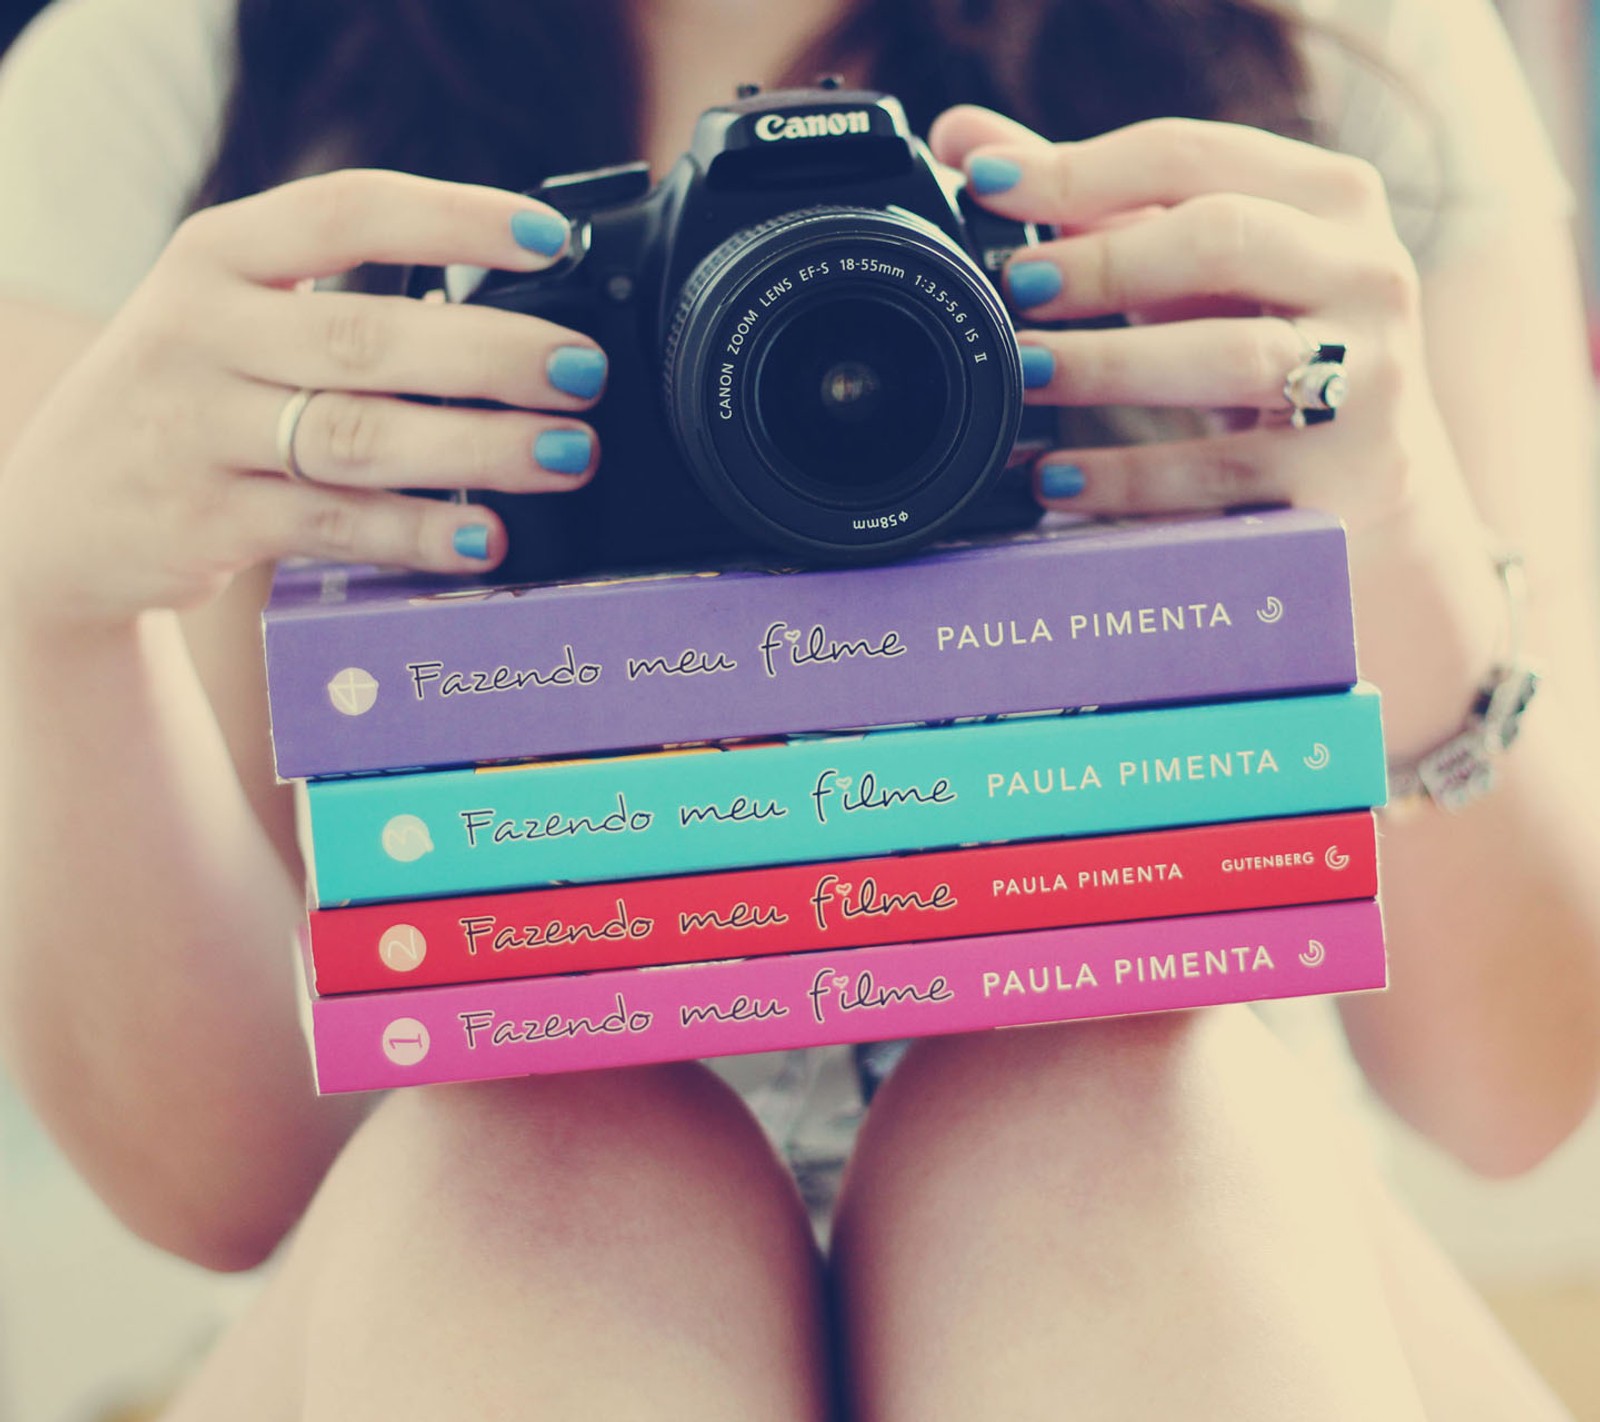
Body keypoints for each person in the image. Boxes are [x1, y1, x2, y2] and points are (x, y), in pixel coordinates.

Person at [0, 0, 1597, 1415]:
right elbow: (233, 1186)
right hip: (442, 1293)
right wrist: (56, 613)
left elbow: (1516, 1086)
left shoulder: (1337, 35)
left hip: (1198, 1249)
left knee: (1106, 1113)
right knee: (537, 1172)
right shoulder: (163, 67)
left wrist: (1391, 531)